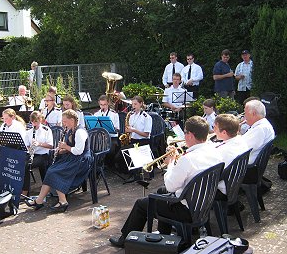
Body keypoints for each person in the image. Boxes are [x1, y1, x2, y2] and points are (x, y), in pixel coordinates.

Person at [109, 116, 222, 248]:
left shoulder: (188, 159)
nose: (184, 136)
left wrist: (171, 163)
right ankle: (164, 234)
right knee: (160, 191)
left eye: (185, 133)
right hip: (203, 204)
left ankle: (124, 239)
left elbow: (170, 186)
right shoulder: (215, 151)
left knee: (141, 203)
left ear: (190, 135)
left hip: (186, 210)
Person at [25, 109, 92, 212]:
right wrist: (61, 150)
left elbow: (78, 151)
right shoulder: (70, 130)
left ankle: (63, 201)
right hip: (73, 158)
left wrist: (65, 146)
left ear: (72, 120)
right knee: (51, 169)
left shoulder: (80, 132)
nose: (63, 123)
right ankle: (39, 200)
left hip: (82, 161)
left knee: (55, 172)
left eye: (65, 121)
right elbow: (70, 148)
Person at [211, 114, 249, 198]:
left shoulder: (223, 151)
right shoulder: (240, 140)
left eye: (215, 128)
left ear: (224, 132)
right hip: (233, 183)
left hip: (222, 188)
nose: (213, 130)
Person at [240, 100, 275, 182]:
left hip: (248, 167)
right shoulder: (261, 125)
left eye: (245, 113)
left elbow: (242, 149)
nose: (244, 116)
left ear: (254, 114)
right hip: (250, 162)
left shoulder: (260, 129)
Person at [22, 111, 53, 196]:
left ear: (40, 120)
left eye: (36, 121)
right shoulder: (28, 132)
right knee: (22, 164)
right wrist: (30, 147)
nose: (34, 123)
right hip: (33, 154)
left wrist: (39, 144)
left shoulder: (46, 130)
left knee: (27, 165)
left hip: (43, 155)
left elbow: (51, 145)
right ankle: (25, 189)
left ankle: (25, 191)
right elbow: (26, 145)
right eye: (32, 122)